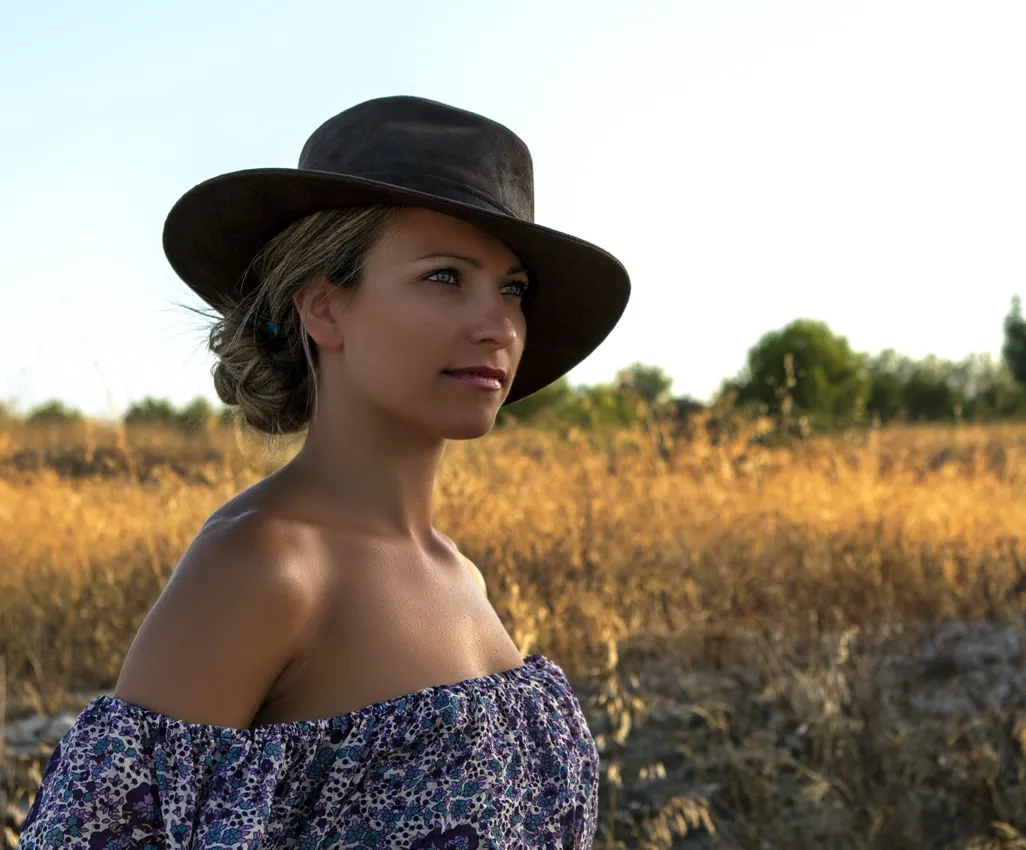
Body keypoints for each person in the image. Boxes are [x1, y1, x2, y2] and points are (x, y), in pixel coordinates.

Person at [18, 95, 630, 849]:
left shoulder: (458, 574)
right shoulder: (266, 563)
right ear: (323, 309)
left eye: (512, 289)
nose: (498, 325)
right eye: (445, 277)